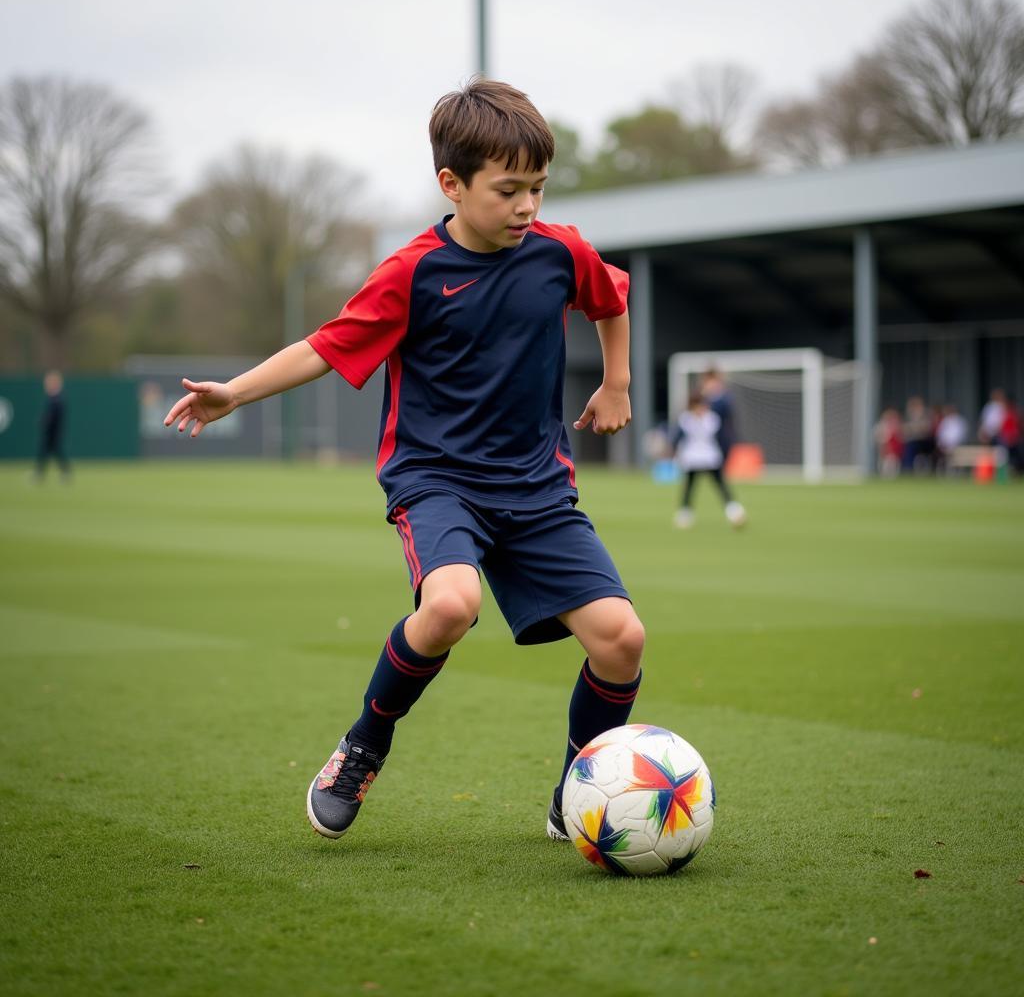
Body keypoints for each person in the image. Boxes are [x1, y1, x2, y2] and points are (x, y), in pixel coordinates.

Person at [163, 79, 645, 845]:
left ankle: (578, 791)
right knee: (450, 606)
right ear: (451, 184)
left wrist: (616, 383)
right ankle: (363, 745)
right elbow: (324, 346)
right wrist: (236, 394)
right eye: (509, 190)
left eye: (538, 189)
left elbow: (610, 298)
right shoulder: (412, 272)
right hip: (438, 479)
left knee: (622, 639)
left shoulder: (559, 251)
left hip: (536, 487)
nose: (527, 207)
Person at [672, 392, 746, 529]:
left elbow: (722, 439)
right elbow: (678, 438)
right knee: (689, 487)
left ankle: (734, 512)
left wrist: (725, 455)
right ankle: (684, 515)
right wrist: (674, 451)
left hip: (710, 458)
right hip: (692, 459)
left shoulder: (712, 420)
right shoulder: (686, 420)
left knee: (721, 486)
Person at [35, 370, 71, 481]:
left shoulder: (57, 399)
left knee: (50, 450)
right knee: (49, 451)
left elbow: (55, 416)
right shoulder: (52, 398)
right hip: (51, 431)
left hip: (54, 431)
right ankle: (42, 473)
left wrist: (46, 421)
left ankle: (40, 474)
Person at [700, 368, 736, 466]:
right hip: (704, 437)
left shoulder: (724, 398)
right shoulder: (701, 398)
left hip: (721, 436)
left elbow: (727, 411)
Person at [935, 404, 968, 474]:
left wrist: (953, 444)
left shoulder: (960, 421)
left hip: (957, 445)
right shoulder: (945, 421)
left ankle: (956, 470)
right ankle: (946, 470)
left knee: (955, 453)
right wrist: (941, 443)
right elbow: (941, 434)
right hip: (945, 445)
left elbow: (961, 435)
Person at [874, 407, 903, 477]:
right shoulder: (881, 426)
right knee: (886, 462)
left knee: (893, 461)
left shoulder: (896, 426)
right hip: (885, 448)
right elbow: (879, 438)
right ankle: (884, 473)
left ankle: (892, 474)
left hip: (894, 449)